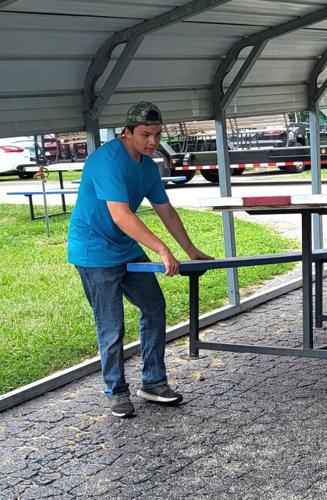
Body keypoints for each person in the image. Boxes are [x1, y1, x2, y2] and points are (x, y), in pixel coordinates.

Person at [68, 101, 213, 419]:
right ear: (127, 132)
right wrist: (161, 249)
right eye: (145, 134)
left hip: (125, 247)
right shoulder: (106, 160)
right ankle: (116, 392)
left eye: (157, 135)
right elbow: (121, 216)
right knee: (111, 325)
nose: (152, 142)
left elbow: (165, 210)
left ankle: (153, 383)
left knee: (153, 306)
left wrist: (189, 249)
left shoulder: (147, 166)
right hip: (94, 251)